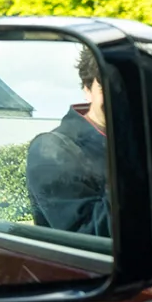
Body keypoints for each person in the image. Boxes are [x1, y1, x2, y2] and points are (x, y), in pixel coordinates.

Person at [25, 48, 111, 236]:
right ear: (87, 90)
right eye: (107, 87)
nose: (119, 97)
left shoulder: (142, 140)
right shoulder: (51, 150)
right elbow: (89, 236)